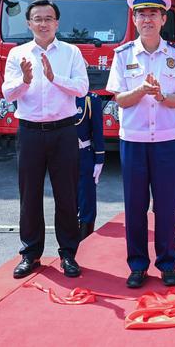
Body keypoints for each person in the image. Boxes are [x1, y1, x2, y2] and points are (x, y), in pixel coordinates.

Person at [106, 0, 175, 288]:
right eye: (141, 14)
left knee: (168, 205)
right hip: (134, 140)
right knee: (135, 205)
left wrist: (162, 94)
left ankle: (168, 262)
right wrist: (142, 90)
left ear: (163, 19)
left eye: (153, 14)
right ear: (134, 19)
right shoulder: (123, 55)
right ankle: (137, 264)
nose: (147, 20)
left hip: (168, 140)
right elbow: (119, 98)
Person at [2, 0, 89, 280]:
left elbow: (83, 87)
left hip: (63, 131)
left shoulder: (71, 52)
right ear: (28, 24)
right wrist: (26, 80)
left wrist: (54, 77)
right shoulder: (17, 54)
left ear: (57, 23)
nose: (43, 23)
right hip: (30, 132)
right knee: (29, 195)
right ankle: (30, 253)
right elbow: (8, 93)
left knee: (66, 194)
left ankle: (68, 254)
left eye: (48, 18)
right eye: (37, 19)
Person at [75, 91, 105, 240]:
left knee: (86, 197)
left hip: (84, 154)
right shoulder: (58, 96)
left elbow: (98, 131)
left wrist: (99, 159)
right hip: (63, 155)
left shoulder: (90, 100)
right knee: (66, 198)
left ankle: (85, 237)